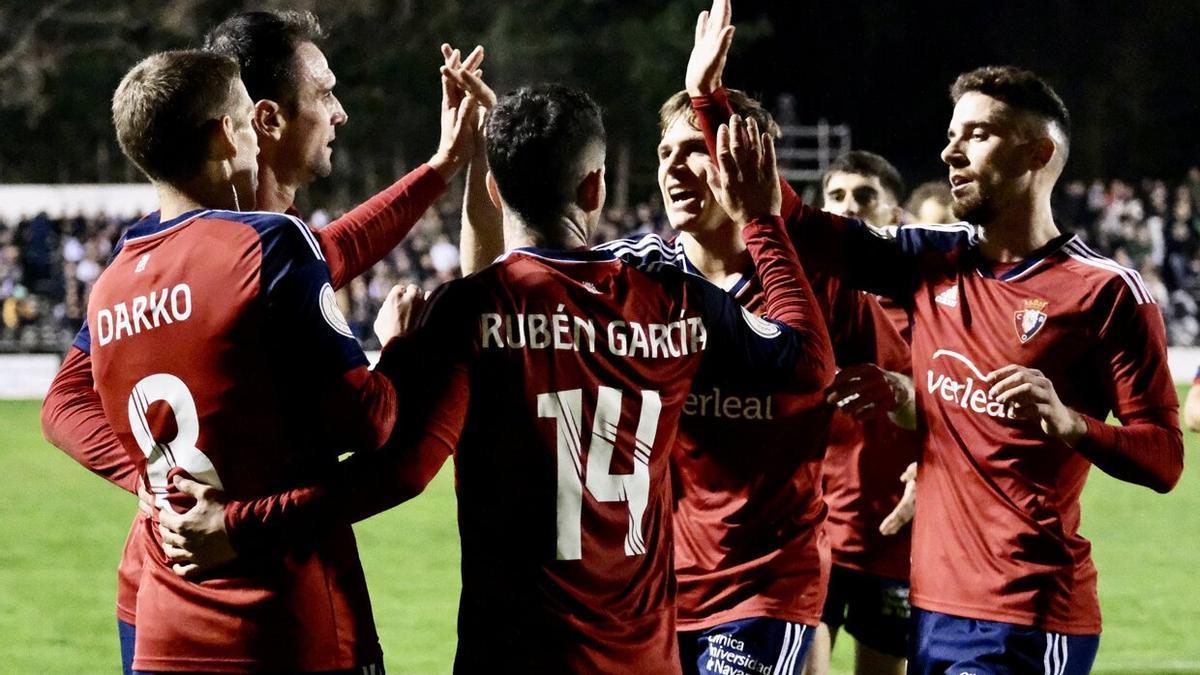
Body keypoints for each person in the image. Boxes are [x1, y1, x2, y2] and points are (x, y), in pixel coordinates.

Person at [158, 82, 834, 673]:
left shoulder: (471, 311)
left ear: (492, 188)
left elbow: (400, 469)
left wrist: (242, 523)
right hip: (640, 658)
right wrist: (763, 215)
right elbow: (808, 361)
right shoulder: (673, 301)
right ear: (595, 187)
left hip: (512, 656)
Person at [694, 13, 1183, 672]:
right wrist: (709, 102)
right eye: (951, 136)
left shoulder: (1106, 292)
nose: (951, 151)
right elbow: (804, 223)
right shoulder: (932, 259)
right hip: (935, 602)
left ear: (1039, 153)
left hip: (1027, 616)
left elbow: (1164, 457)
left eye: (977, 135)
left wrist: (1073, 424)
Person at [443, 13, 904, 669]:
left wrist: (904, 403)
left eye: (696, 149)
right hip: (650, 582)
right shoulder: (636, 272)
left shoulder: (818, 285)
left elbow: (913, 391)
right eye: (665, 152)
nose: (675, 166)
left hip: (763, 582)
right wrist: (485, 157)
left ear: (744, 164)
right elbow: (497, 280)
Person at [39, 11, 478, 671]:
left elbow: (336, 247)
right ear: (256, 121)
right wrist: (162, 480)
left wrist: (439, 171)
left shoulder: (142, 261)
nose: (341, 113)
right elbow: (379, 433)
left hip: (169, 596)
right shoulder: (260, 248)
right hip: (270, 605)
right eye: (327, 93)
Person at [808, 150, 921, 675]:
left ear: (894, 213)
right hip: (815, 532)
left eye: (864, 196)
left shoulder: (930, 311)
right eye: (836, 197)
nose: (849, 208)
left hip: (894, 538)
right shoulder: (801, 305)